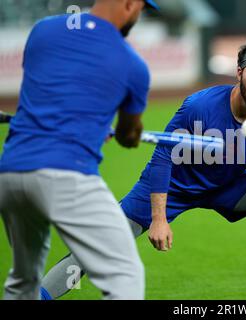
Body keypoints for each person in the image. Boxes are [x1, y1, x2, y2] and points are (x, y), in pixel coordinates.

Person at [40, 35, 246, 300]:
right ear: (239, 72)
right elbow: (162, 157)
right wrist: (158, 219)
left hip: (225, 186)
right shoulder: (199, 106)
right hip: (171, 186)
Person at [0, 0, 161, 300]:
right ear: (129, 4)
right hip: (66, 175)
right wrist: (122, 133)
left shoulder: (43, 31)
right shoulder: (132, 64)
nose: (139, 16)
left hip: (10, 173)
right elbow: (128, 134)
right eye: (141, 8)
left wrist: (89, 127)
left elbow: (50, 93)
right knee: (124, 276)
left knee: (23, 281)